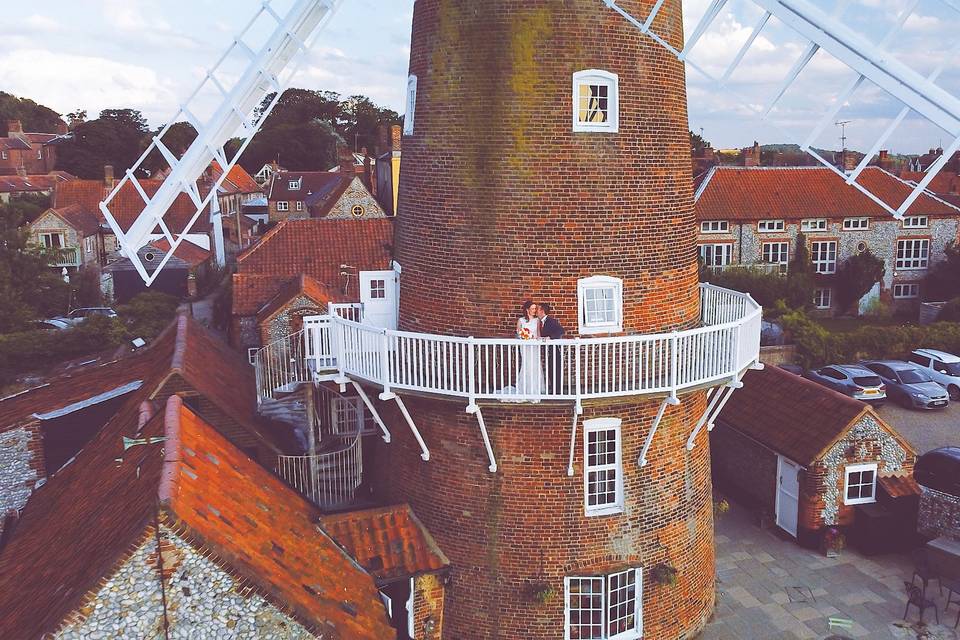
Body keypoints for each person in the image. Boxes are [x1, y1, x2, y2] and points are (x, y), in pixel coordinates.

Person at [512, 301, 544, 400]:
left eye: (535, 308)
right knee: (526, 364)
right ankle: (525, 388)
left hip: (534, 346)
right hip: (525, 346)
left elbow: (538, 334)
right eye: (533, 308)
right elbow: (518, 334)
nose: (534, 310)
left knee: (535, 365)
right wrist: (525, 336)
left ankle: (536, 388)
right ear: (527, 309)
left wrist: (535, 338)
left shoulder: (537, 320)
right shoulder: (521, 320)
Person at [537, 302, 565, 393]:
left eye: (538, 309)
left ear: (542, 311)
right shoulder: (540, 322)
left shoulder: (551, 321)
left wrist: (550, 338)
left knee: (555, 370)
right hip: (547, 350)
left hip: (554, 350)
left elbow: (561, 331)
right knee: (550, 370)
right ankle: (553, 390)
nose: (536, 311)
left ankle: (557, 392)